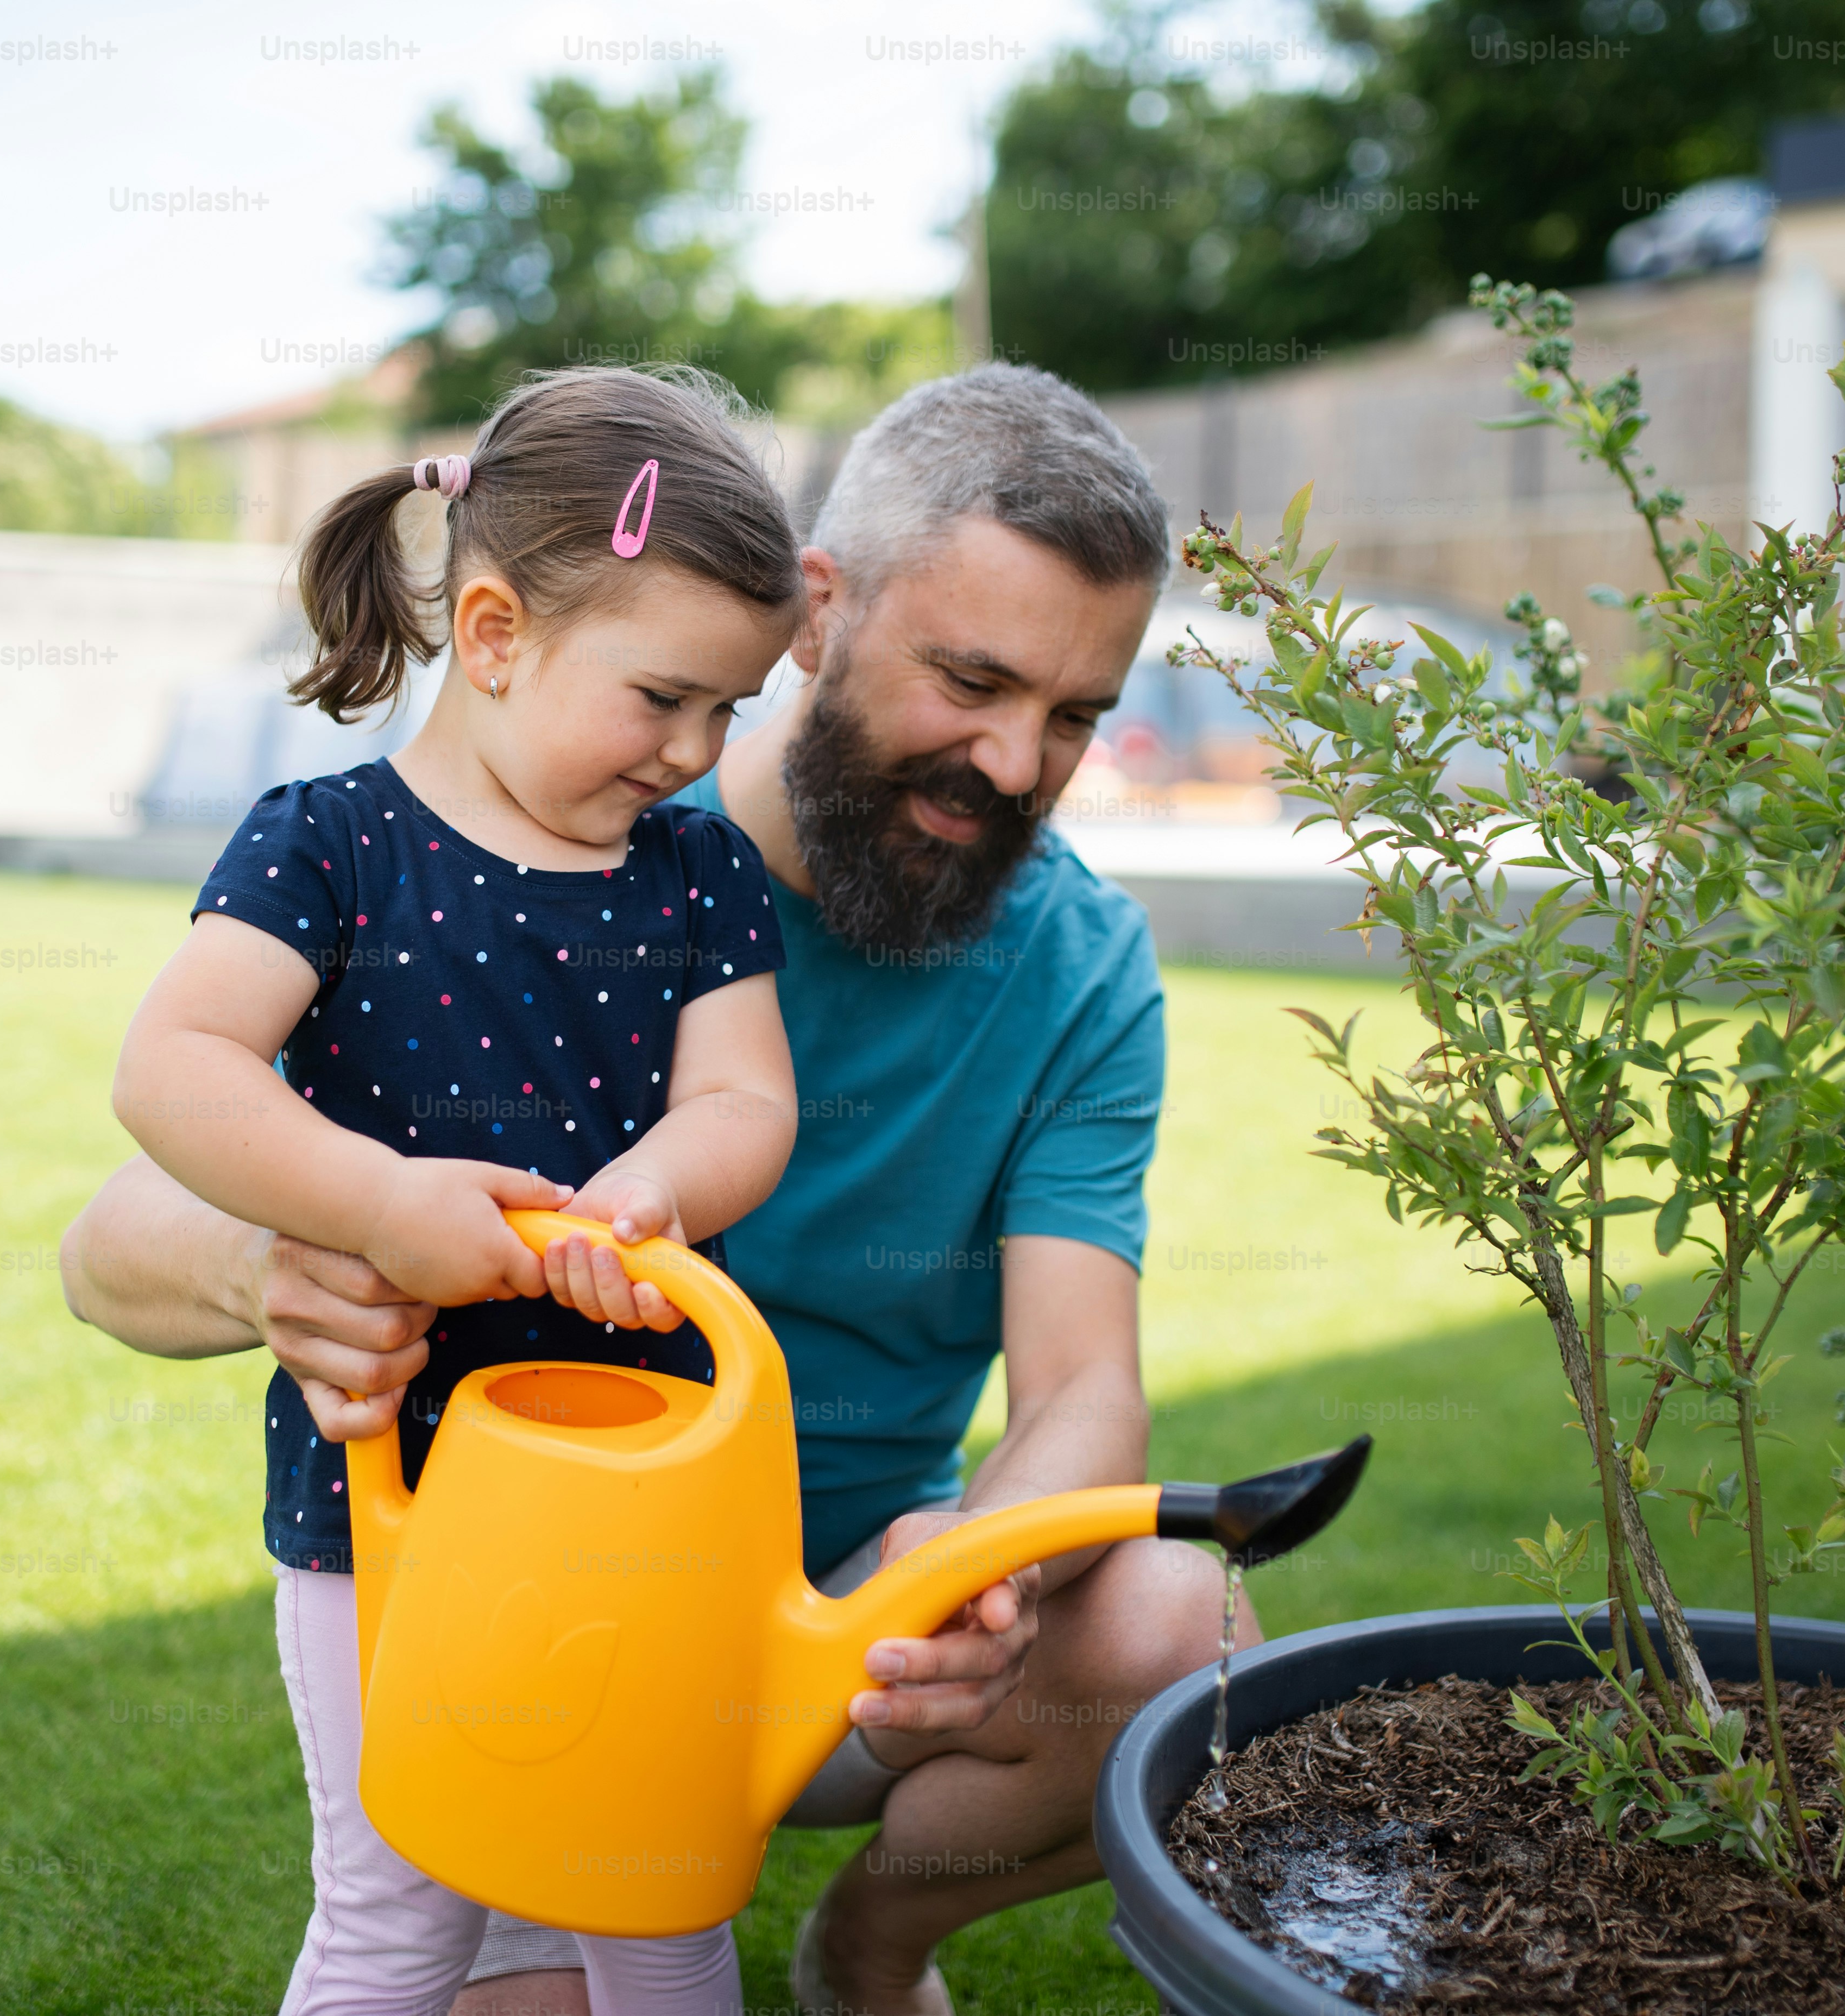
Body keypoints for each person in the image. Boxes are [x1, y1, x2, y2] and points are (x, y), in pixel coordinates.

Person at [65, 363, 1249, 2016]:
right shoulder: (562, 800)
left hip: (844, 1642)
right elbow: (108, 1239)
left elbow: (1082, 1394)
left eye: (1070, 714)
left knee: (1182, 1624)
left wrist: (974, 1573)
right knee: (479, 1969)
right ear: (815, 617)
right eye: (972, 679)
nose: (1013, 760)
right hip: (541, 1597)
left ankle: (874, 1944)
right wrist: (292, 1253)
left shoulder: (1074, 964)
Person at [110, 364, 809, 2016]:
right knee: (395, 1916)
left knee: (661, 1900)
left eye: (732, 711)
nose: (696, 751)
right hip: (387, 1503)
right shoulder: (328, 847)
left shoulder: (697, 871)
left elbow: (748, 1098)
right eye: (663, 699)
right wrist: (375, 1204)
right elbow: (174, 1068)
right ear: (493, 634)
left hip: (648, 1501)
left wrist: (653, 1188)